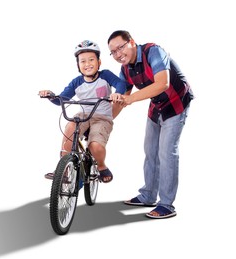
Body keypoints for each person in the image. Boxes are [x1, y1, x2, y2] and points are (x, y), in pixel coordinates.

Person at [107, 30, 194, 218]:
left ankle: (167, 204)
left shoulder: (153, 51)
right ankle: (148, 195)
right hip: (156, 106)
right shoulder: (125, 69)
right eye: (113, 52)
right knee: (150, 150)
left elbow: (162, 83)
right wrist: (105, 122)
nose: (117, 54)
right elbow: (122, 99)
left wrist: (130, 99)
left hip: (176, 102)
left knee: (167, 152)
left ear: (131, 42)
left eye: (120, 47)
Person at [39, 40, 126, 183]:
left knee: (95, 146)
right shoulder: (77, 82)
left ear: (99, 62)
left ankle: (102, 166)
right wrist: (50, 95)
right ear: (78, 65)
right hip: (84, 115)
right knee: (70, 127)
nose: (87, 64)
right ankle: (64, 169)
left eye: (91, 60)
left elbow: (120, 83)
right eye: (83, 61)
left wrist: (118, 94)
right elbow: (61, 99)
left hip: (102, 117)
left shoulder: (105, 75)